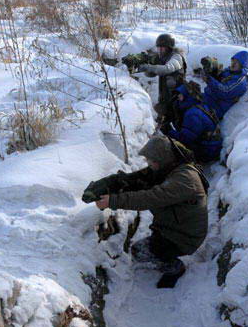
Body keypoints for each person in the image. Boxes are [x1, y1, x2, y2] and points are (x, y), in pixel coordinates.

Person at [95, 135, 208, 288]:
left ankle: (175, 267)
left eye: (152, 160)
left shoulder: (183, 180)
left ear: (163, 159)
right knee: (144, 248)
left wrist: (113, 201)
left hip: (186, 237)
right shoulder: (172, 167)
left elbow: (149, 198)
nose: (149, 164)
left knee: (139, 252)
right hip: (177, 226)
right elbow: (139, 179)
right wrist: (114, 184)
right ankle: (164, 247)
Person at [166, 81, 222, 163]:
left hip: (208, 152)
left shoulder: (192, 114)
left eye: (180, 94)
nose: (178, 97)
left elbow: (185, 139)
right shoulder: (200, 105)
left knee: (175, 148)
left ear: (187, 95)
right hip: (212, 147)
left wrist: (168, 131)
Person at [140, 34, 186, 127]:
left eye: (162, 47)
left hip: (177, 100)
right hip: (165, 99)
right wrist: (146, 68)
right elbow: (152, 74)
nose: (160, 50)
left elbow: (167, 69)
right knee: (162, 125)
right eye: (159, 47)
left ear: (169, 48)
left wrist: (149, 67)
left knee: (178, 124)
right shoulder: (162, 58)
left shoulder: (176, 57)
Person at [203, 51, 248, 120]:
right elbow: (218, 78)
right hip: (207, 98)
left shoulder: (241, 81)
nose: (233, 64)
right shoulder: (229, 71)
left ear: (242, 65)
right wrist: (212, 70)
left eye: (236, 62)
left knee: (192, 115)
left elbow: (225, 91)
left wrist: (209, 80)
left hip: (215, 108)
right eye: (233, 61)